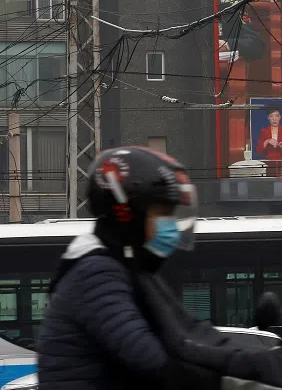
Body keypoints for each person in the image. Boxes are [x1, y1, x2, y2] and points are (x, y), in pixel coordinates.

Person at [36, 146, 201, 390]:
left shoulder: (128, 266)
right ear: (128, 214)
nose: (172, 226)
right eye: (162, 212)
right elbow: (150, 358)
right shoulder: (97, 273)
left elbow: (189, 335)